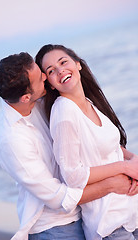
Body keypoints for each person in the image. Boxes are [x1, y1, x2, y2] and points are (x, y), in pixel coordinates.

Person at [0, 52, 136, 240]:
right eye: (41, 76)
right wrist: (111, 183)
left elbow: (90, 141)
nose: (45, 76)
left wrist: (130, 159)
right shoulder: (12, 141)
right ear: (26, 97)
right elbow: (58, 198)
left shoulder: (41, 101)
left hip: (85, 212)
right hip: (54, 227)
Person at [35, 44, 138, 240]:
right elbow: (72, 176)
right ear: (49, 83)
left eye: (63, 62)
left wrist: (133, 160)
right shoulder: (64, 111)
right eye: (51, 71)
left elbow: (110, 146)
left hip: (130, 211)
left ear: (77, 64)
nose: (60, 70)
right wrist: (124, 167)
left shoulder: (90, 104)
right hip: (109, 224)